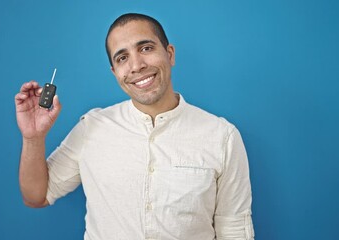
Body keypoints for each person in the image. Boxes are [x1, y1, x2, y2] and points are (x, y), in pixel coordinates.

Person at [15, 13, 254, 240]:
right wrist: (33, 138)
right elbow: (37, 196)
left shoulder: (222, 136)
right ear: (115, 72)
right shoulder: (92, 128)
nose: (136, 65)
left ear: (169, 54)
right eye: (122, 58)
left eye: (146, 48)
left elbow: (234, 230)